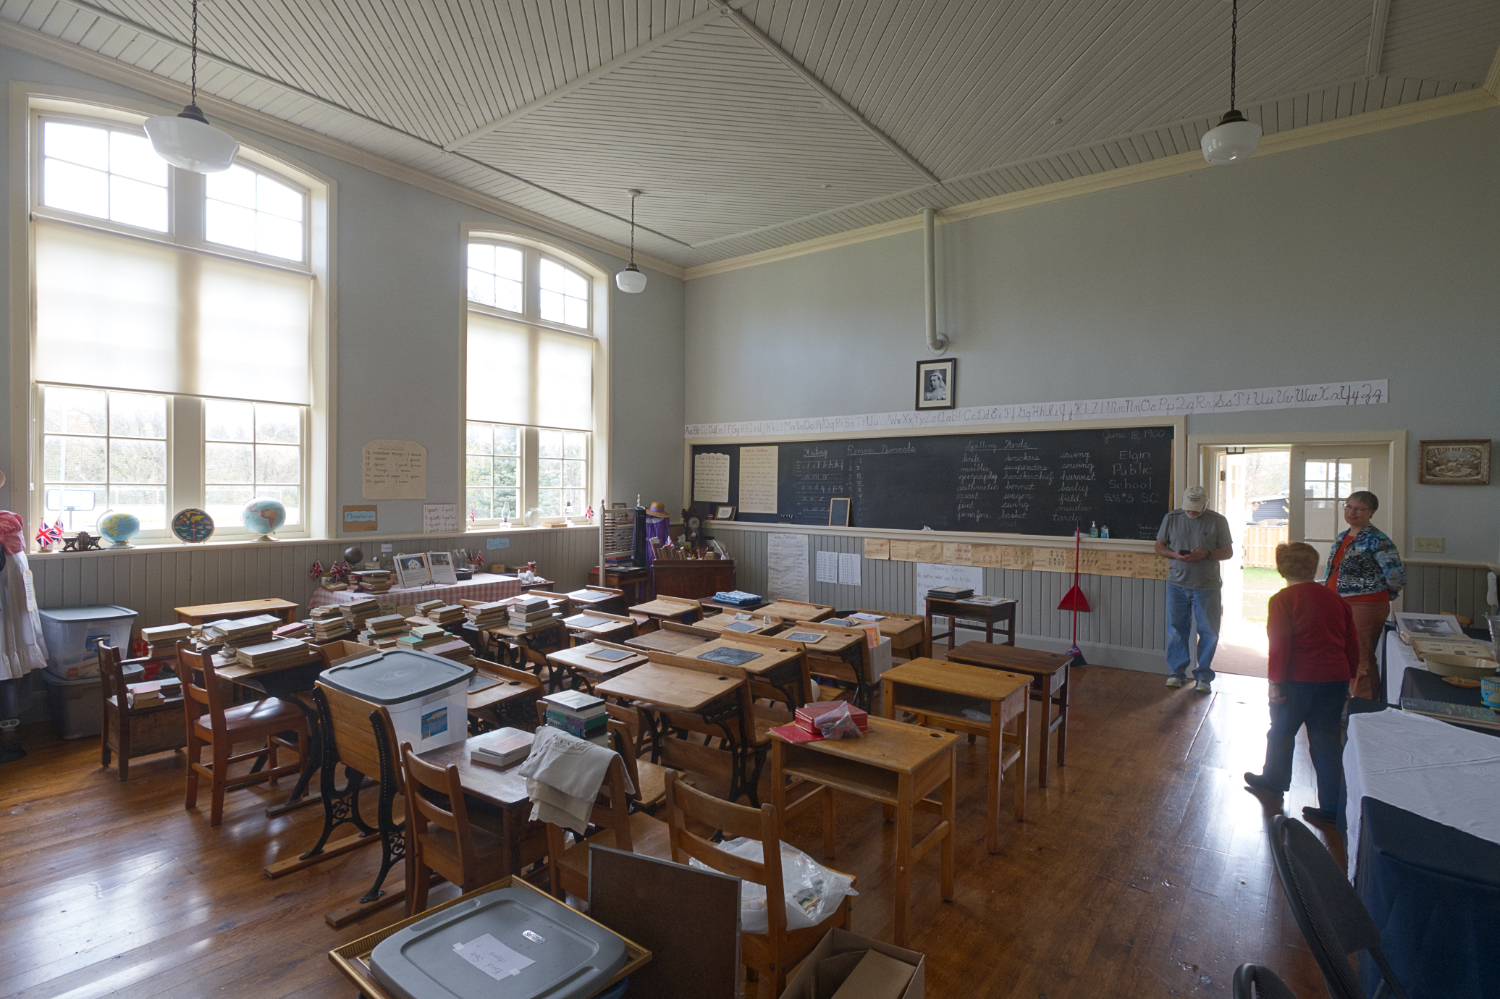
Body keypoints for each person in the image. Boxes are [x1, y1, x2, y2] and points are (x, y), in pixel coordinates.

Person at [1244, 542, 1358, 824]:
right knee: (1327, 740)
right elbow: (1352, 644)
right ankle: (1332, 804)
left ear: (1281, 569)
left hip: (1297, 680)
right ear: (1315, 567)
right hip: (1334, 678)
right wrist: (1349, 677)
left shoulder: (1283, 600)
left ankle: (1274, 780)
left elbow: (1280, 646)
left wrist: (1275, 683)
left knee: (1281, 732)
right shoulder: (1336, 599)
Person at [1321, 490, 1404, 701]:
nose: (1352, 512)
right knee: (1344, 655)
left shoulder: (1378, 540)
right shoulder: (1343, 536)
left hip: (1365, 606)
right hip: (1337, 604)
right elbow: (1331, 570)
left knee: (1361, 659)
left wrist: (1386, 595)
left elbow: (1395, 575)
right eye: (1348, 507)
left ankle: (1364, 708)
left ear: (1371, 513)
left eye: (1359, 509)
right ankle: (1348, 702)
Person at [1154, 485, 1234, 692]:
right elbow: (1159, 546)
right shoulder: (1171, 518)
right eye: (1188, 507)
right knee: (1176, 630)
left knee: (1209, 632)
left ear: (1205, 505)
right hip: (1176, 584)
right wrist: (1175, 555)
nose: (1191, 512)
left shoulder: (1218, 521)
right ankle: (1176, 673)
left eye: (1196, 508)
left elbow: (1228, 552)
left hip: (1207, 586)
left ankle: (1204, 677)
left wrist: (1205, 554)